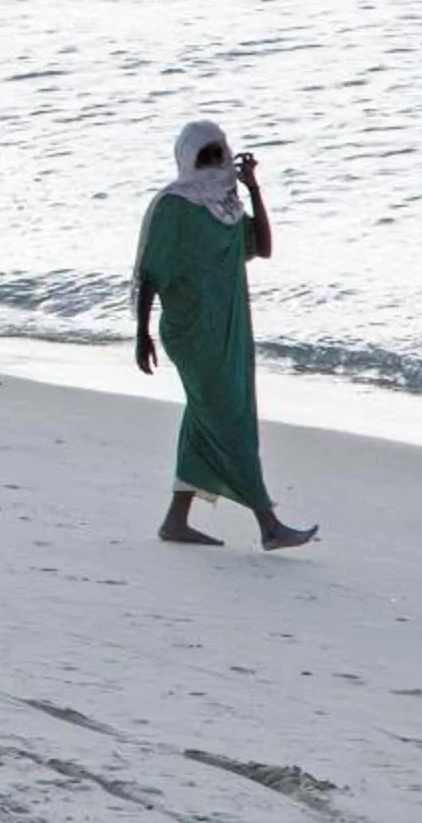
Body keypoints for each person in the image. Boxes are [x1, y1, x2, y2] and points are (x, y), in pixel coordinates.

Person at [135, 120, 314, 549]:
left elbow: (263, 247)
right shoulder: (173, 206)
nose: (216, 161)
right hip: (191, 332)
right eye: (208, 154)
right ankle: (269, 524)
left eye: (220, 152)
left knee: (209, 417)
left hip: (230, 326)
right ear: (189, 158)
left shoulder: (227, 204)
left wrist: (253, 188)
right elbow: (150, 274)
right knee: (229, 419)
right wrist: (141, 333)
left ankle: (175, 521)